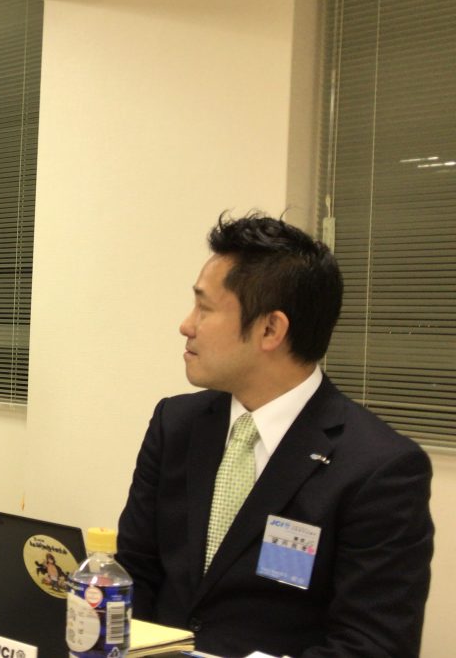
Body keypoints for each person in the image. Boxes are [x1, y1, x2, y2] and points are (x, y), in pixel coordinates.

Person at [116, 214, 434, 657]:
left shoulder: (378, 468)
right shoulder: (177, 423)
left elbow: (373, 646)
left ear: (270, 330)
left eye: (205, 309)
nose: (186, 325)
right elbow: (135, 575)